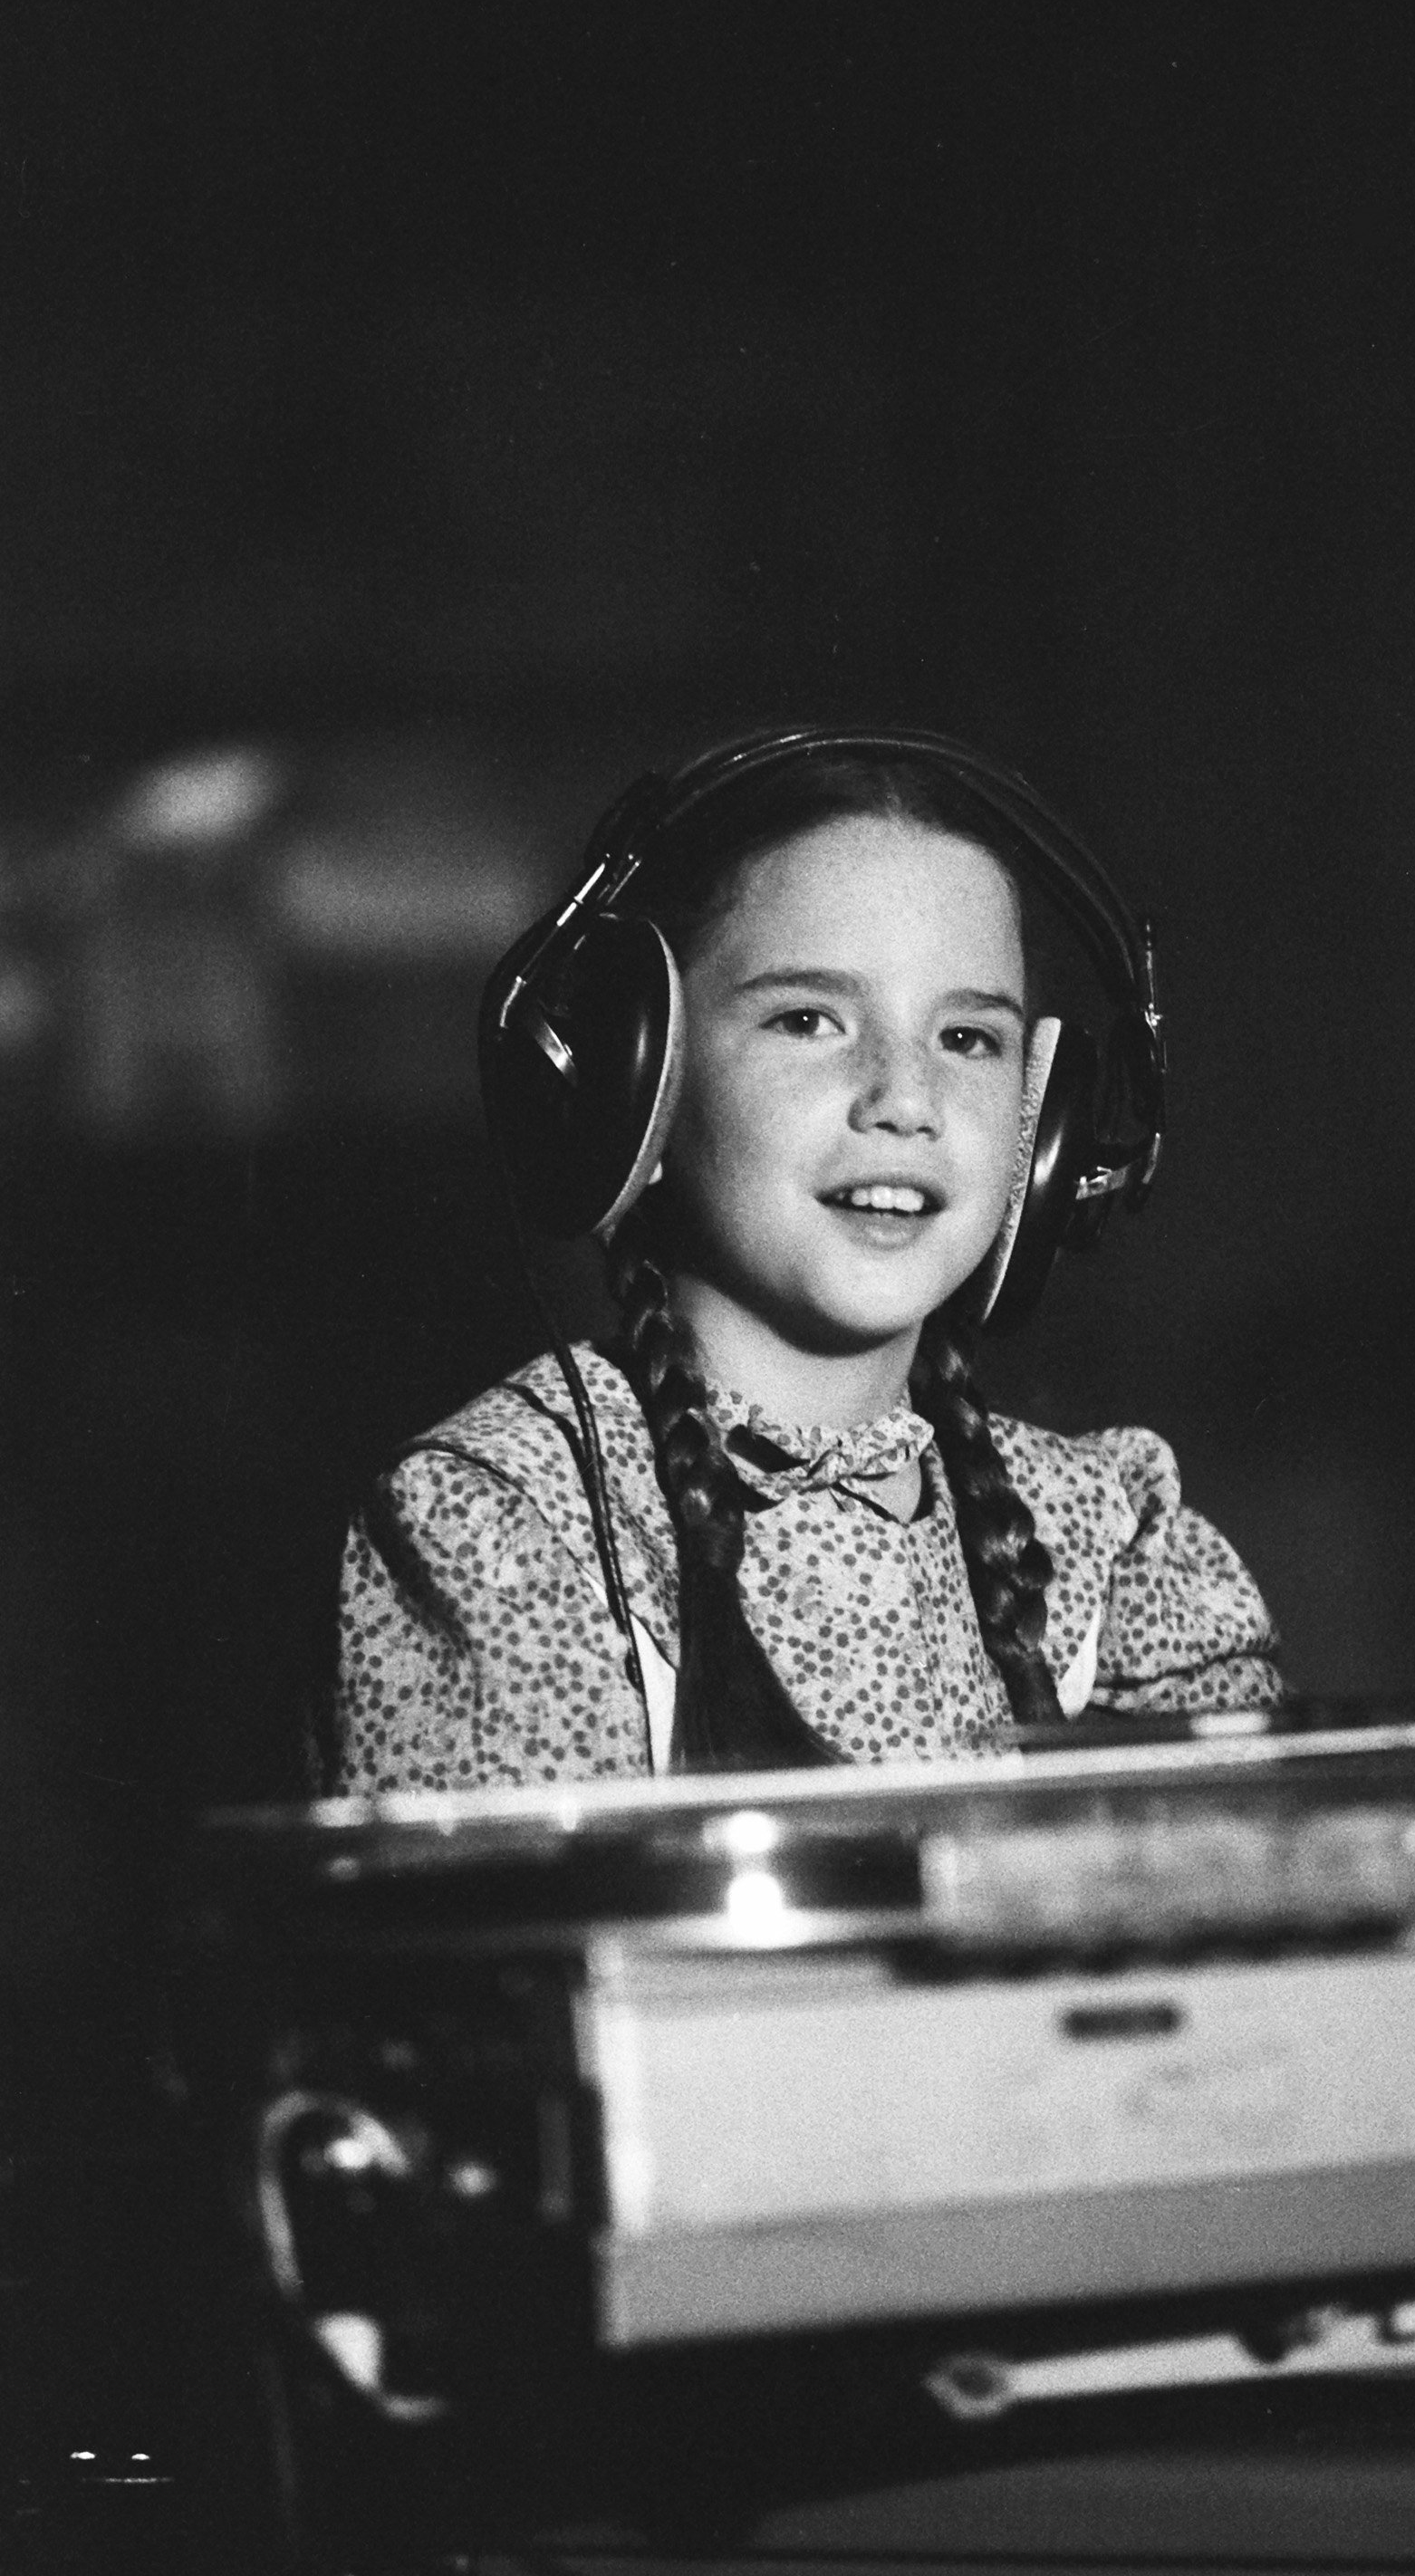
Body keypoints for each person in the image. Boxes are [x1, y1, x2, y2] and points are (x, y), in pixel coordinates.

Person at [332, 732, 1280, 1792]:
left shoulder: (1106, 1538)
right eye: (808, 1019)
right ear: (637, 1083)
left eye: (967, 1039)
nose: (902, 1100)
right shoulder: (504, 1520)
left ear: (1044, 1135)